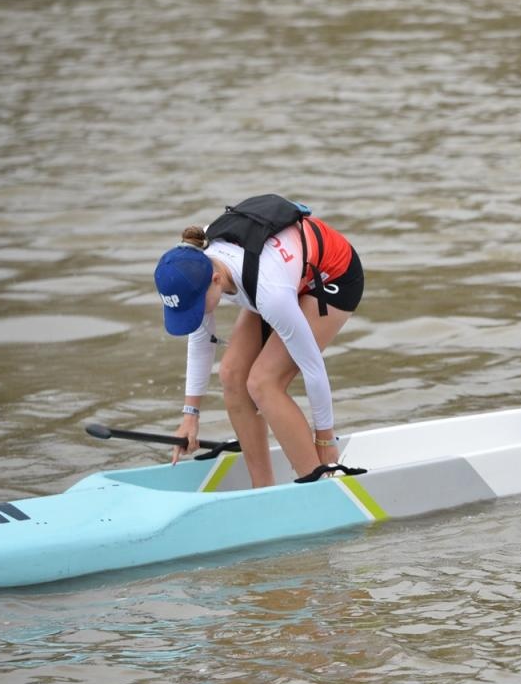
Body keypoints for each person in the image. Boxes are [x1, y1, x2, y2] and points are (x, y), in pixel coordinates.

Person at [153, 198, 364, 487]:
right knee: (231, 374)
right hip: (281, 274)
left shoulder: (270, 292)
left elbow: (313, 367)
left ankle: (318, 480)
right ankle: (261, 487)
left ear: (215, 280)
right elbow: (201, 342)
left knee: (263, 382)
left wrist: (325, 438)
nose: (195, 314)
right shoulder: (196, 268)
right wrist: (190, 417)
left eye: (195, 307)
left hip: (330, 276)